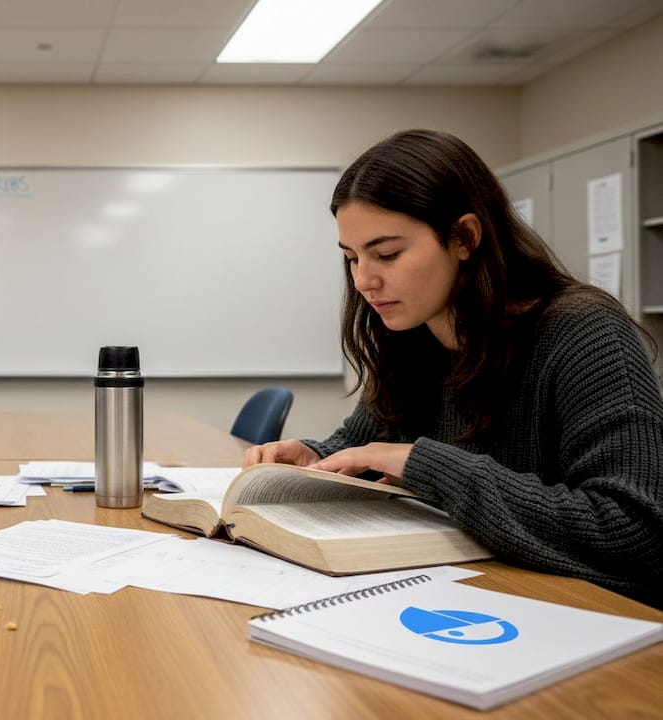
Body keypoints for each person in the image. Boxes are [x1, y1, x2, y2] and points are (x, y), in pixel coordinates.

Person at [245, 129, 663, 608]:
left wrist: (426, 467)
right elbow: (366, 444)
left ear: (464, 237)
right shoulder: (409, 334)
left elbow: (635, 531)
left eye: (387, 254)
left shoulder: (584, 332)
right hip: (467, 594)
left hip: (580, 614)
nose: (363, 280)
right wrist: (315, 457)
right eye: (352, 258)